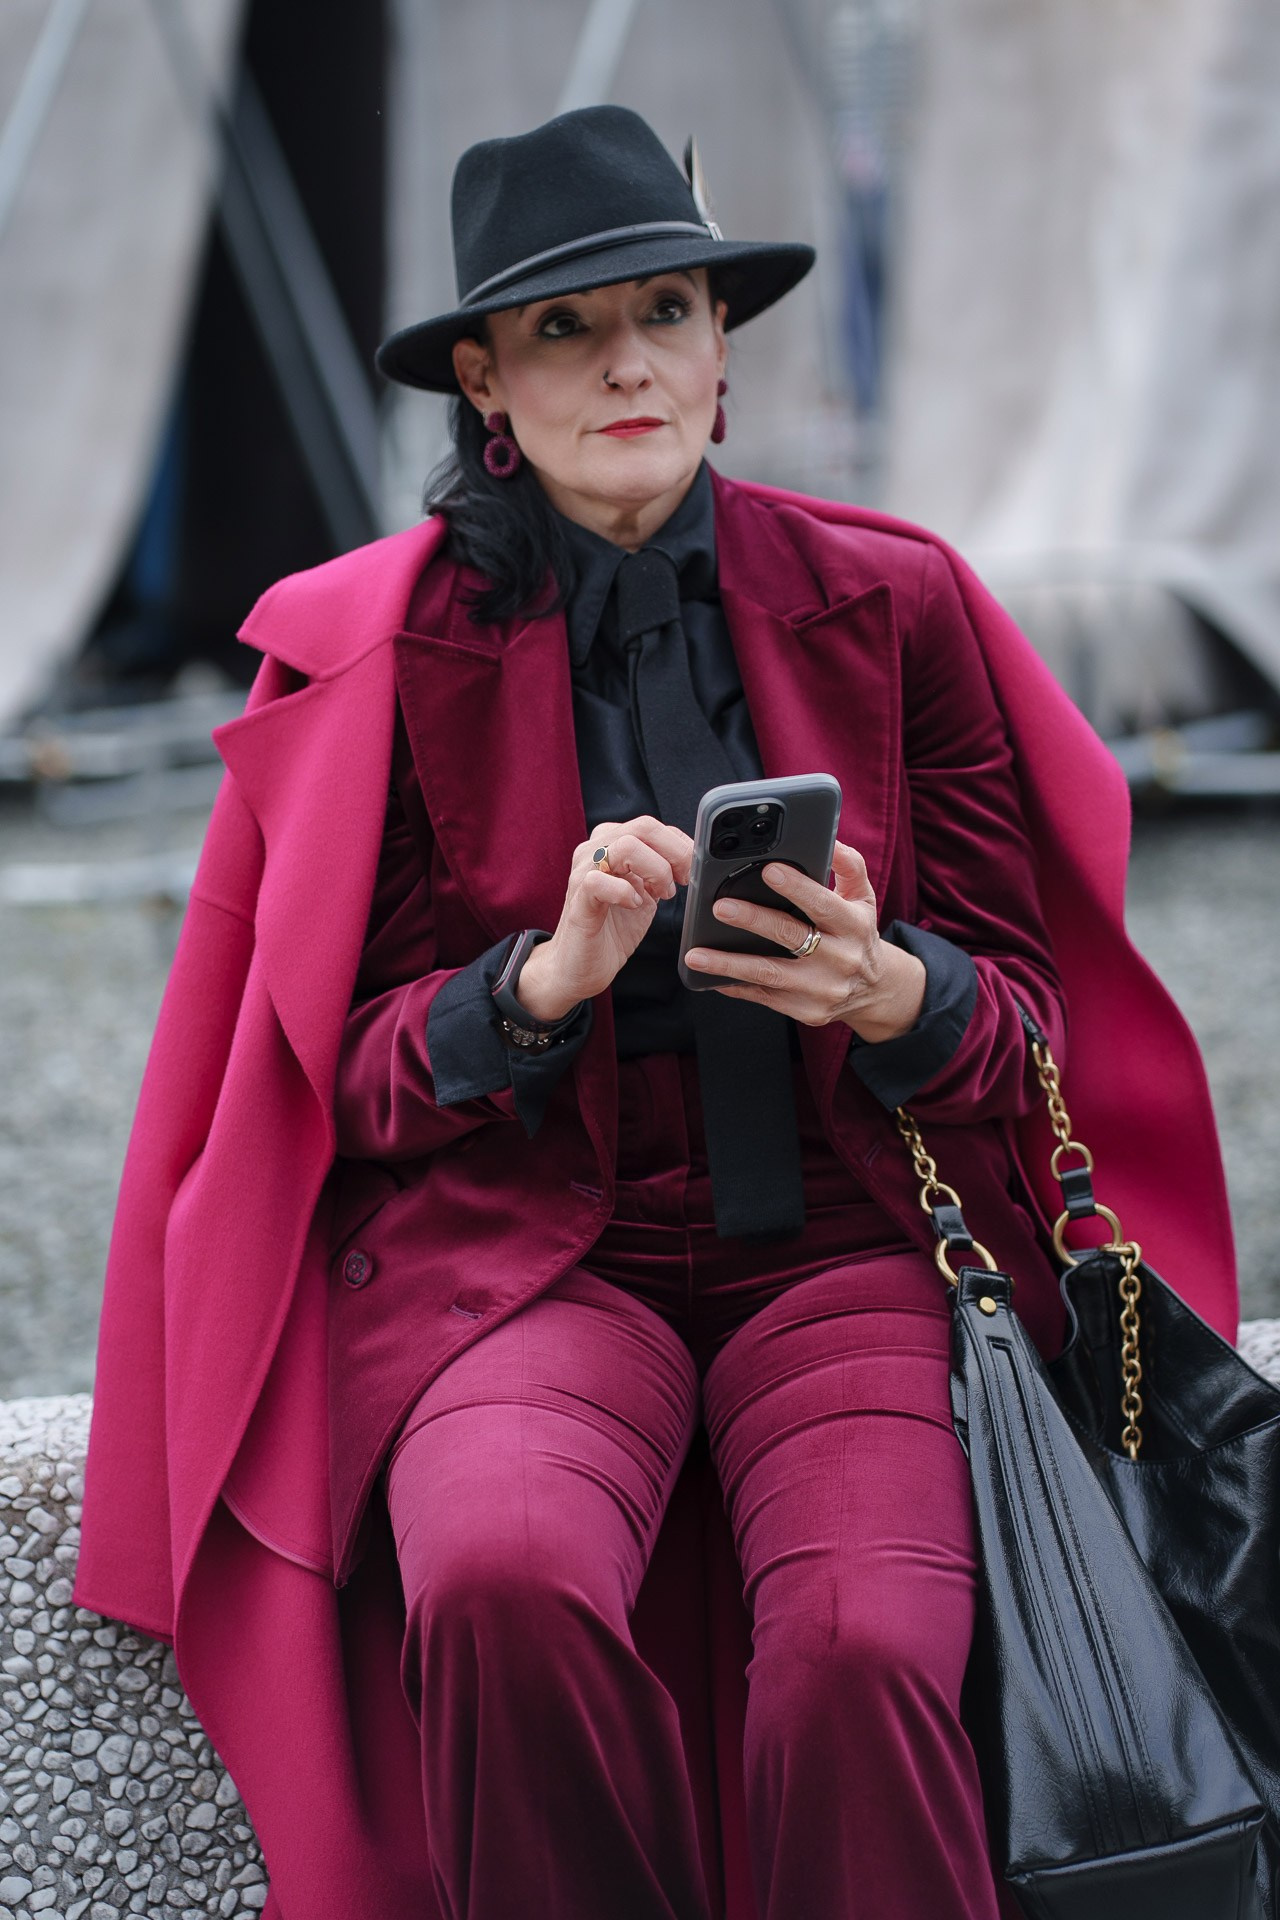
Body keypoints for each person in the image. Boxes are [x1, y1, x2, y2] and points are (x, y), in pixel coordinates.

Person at [74, 106, 1238, 1920]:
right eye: (564, 327)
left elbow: (1028, 1030)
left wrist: (888, 988)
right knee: (498, 1581)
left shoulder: (897, 601)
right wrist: (537, 985)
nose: (629, 361)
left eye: (669, 313)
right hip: (535, 1259)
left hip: (850, 1245)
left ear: (721, 353)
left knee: (864, 1645)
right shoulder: (380, 653)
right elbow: (344, 1083)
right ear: (483, 379)